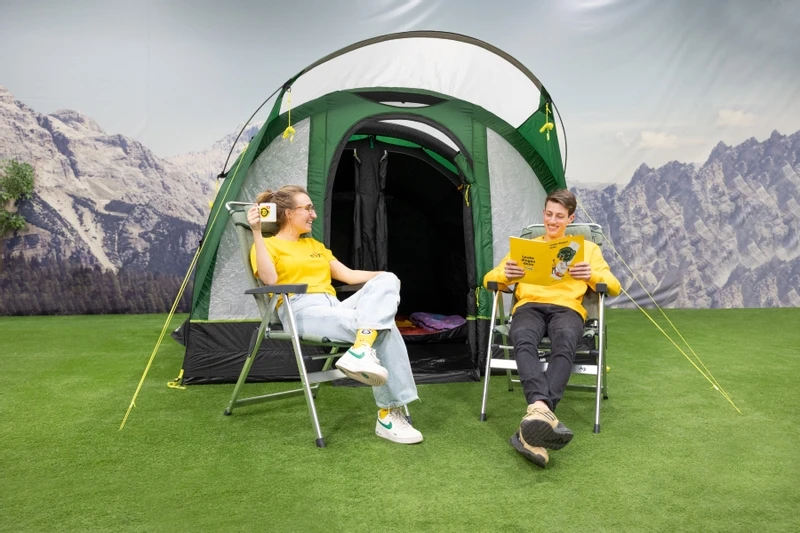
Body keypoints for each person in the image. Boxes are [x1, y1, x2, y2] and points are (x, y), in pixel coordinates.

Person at [247, 185, 423, 444]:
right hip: (300, 309)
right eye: (308, 209)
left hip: (333, 307)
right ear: (288, 213)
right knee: (385, 328)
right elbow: (270, 280)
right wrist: (256, 232)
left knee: (387, 281)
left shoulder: (314, 245)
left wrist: (387, 278)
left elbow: (348, 276)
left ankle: (361, 348)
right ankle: (388, 414)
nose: (314, 214)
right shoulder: (266, 245)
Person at [483, 189, 620, 467]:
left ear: (570, 218)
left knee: (566, 339)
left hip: (567, 308)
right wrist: (505, 274)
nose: (552, 221)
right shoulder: (527, 248)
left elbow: (614, 286)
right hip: (529, 306)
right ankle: (540, 414)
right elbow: (490, 279)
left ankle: (536, 413)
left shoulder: (588, 250)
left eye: (559, 216)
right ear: (543, 214)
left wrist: (591, 274)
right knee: (522, 337)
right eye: (549, 214)